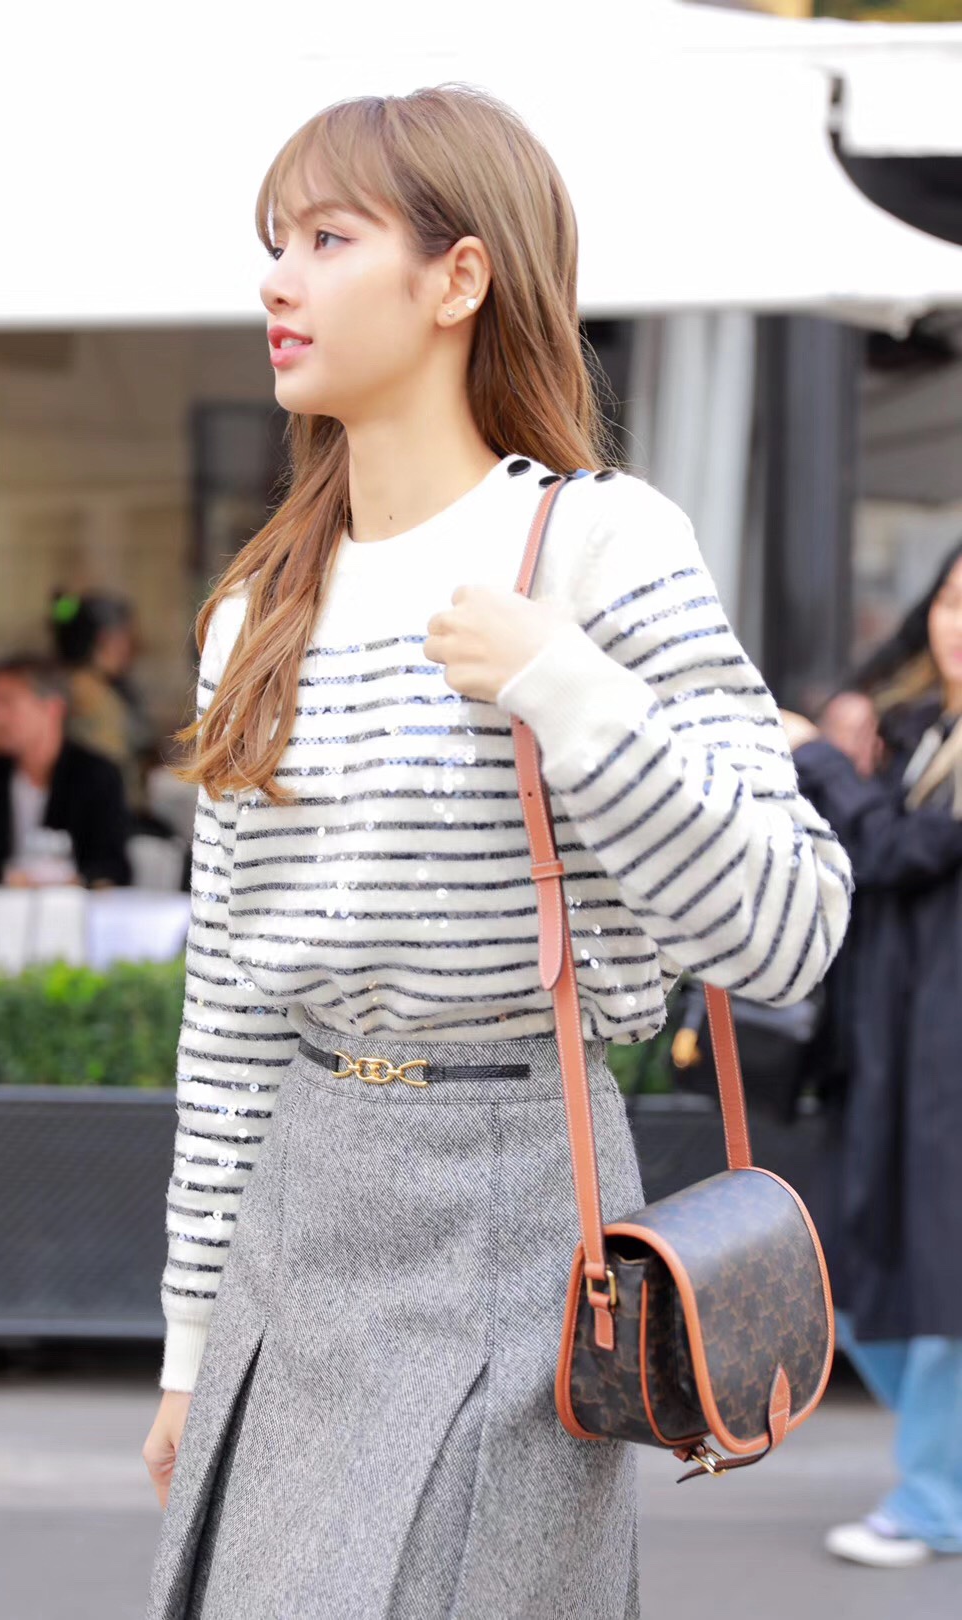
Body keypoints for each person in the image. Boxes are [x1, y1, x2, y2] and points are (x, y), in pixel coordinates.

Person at [140, 86, 852, 1620]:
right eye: (276, 241)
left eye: (329, 239)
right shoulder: (256, 615)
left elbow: (790, 926)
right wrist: (192, 1342)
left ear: (459, 277)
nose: (278, 279)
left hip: (516, 1208)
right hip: (296, 1225)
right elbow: (234, 1009)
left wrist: (568, 689)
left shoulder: (598, 545)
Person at [783, 541, 962, 1568]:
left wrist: (815, 757)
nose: (957, 623)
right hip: (897, 1048)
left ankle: (936, 1500)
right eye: (951, 600)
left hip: (943, 1057)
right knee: (864, 1274)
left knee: (938, 1280)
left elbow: (894, 850)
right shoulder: (926, 731)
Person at [0, 654, 131, 888]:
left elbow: (112, 866)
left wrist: (68, 881)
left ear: (52, 708)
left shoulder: (96, 777)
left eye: (7, 703)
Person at [50, 590, 151, 816]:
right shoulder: (88, 693)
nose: (131, 648)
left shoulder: (91, 685)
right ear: (104, 639)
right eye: (126, 638)